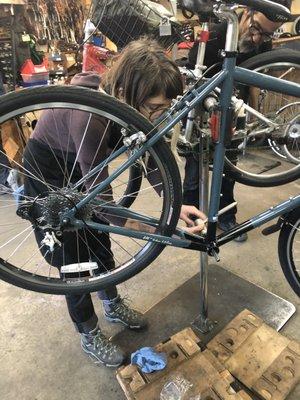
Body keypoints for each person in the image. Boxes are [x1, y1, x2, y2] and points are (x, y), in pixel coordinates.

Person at [23, 38, 206, 368]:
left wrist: (173, 206)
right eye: (151, 108)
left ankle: (111, 301)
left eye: (162, 109)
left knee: (99, 240)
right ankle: (88, 331)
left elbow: (149, 156)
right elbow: (104, 207)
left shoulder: (128, 105)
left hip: (82, 168)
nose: (155, 115)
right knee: (73, 260)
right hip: (49, 170)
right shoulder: (90, 116)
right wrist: (157, 228)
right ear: (126, 90)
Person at [184, 0, 291, 242]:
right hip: (202, 108)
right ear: (247, 12)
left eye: (266, 35)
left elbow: (254, 78)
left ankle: (226, 217)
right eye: (256, 29)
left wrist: (254, 113)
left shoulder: (263, 43)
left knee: (228, 169)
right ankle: (191, 219)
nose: (257, 39)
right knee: (194, 169)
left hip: (235, 111)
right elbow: (191, 77)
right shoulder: (214, 34)